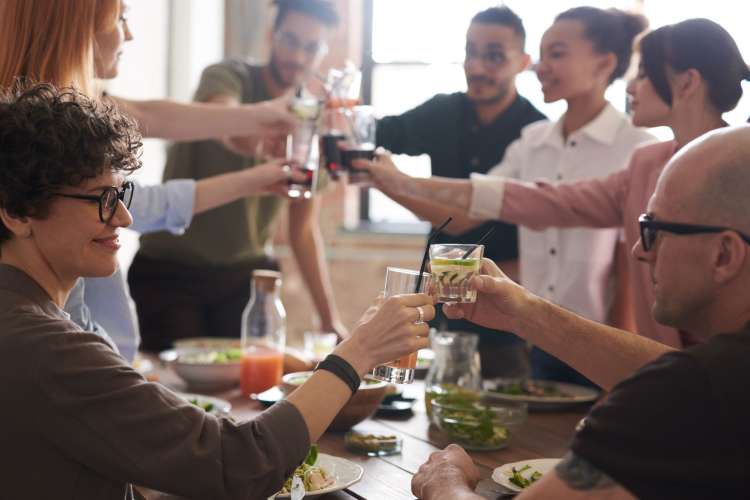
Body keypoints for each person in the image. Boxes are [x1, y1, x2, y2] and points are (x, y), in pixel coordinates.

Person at [0, 82, 435, 500]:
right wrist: (357, 352)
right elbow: (238, 464)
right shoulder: (45, 346)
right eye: (101, 199)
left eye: (122, 194)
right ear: (18, 214)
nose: (125, 219)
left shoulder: (34, 319)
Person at [365, 18, 750, 350]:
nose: (631, 86)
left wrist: (400, 182)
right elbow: (548, 201)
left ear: (687, 84)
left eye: (644, 74)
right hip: (647, 363)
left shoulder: (734, 166)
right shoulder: (644, 163)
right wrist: (398, 182)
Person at [412, 124, 750, 500]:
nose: (639, 250)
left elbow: (681, 386)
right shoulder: (719, 376)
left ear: (724, 254)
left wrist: (444, 482)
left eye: (654, 229)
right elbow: (669, 369)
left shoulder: (692, 393)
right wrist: (523, 312)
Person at [0, 0, 306, 361]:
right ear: (78, 27)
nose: (129, 33)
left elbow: (149, 116)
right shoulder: (40, 132)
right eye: (121, 18)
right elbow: (145, 201)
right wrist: (258, 158)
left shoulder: (70, 108)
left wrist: (260, 120)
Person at [367, 7, 653, 385]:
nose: (541, 67)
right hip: (534, 340)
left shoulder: (637, 149)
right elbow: (474, 205)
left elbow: (629, 268)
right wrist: (392, 182)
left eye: (557, 54)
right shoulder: (532, 142)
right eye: (543, 54)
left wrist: (400, 181)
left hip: (596, 341)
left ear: (604, 65)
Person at [131, 0, 346, 353]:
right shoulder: (227, 75)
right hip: (169, 271)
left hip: (244, 279)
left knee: (245, 391)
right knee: (172, 392)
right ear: (271, 35)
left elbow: (303, 231)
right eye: (290, 40)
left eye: (311, 47)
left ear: (322, 52)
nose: (298, 56)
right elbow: (223, 118)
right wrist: (262, 140)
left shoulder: (315, 126)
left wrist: (328, 319)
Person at [374, 6, 546, 379]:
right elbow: (376, 133)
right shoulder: (443, 111)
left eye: (495, 56)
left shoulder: (536, 134)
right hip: (439, 306)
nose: (477, 67)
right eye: (471, 52)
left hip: (506, 314)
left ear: (524, 62)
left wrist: (389, 182)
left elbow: (459, 223)